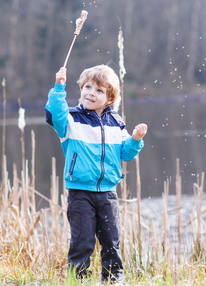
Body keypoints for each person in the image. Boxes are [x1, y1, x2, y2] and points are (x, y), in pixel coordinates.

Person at [45, 64, 147, 283]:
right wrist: (59, 87)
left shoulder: (116, 123)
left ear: (110, 99)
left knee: (112, 240)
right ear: (81, 89)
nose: (91, 92)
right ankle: (78, 279)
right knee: (82, 241)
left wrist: (136, 139)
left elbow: (126, 153)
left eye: (99, 90)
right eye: (88, 87)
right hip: (80, 192)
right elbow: (54, 113)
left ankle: (113, 279)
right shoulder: (71, 120)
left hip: (108, 193)